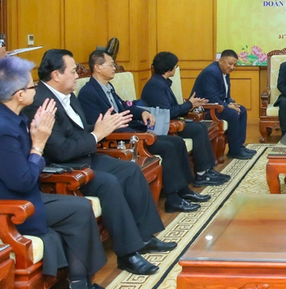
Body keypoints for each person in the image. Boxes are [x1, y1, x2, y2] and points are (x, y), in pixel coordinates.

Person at [0, 57, 121, 289]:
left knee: (81, 207)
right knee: (79, 211)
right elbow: (23, 179)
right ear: (20, 94)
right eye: (32, 85)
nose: (36, 89)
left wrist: (38, 141)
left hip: (18, 199)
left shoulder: (10, 117)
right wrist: (38, 144)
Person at [24, 49, 176, 276]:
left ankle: (145, 236)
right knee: (109, 182)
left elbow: (78, 131)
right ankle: (128, 254)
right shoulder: (40, 103)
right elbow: (60, 150)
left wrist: (103, 127)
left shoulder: (69, 95)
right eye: (74, 71)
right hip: (64, 168)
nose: (78, 75)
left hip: (84, 156)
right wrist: (97, 134)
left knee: (130, 170)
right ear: (56, 75)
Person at [78, 50, 214, 213]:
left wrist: (142, 112)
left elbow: (125, 107)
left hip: (132, 131)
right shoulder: (89, 93)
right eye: (111, 64)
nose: (114, 67)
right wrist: (136, 132)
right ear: (98, 67)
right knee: (168, 146)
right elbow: (99, 125)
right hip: (121, 138)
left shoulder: (107, 87)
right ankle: (173, 199)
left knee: (176, 142)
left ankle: (183, 191)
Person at [140, 51, 227, 186]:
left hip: (173, 120)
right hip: (165, 125)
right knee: (198, 129)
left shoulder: (162, 82)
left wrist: (191, 105)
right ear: (169, 68)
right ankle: (202, 174)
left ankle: (207, 169)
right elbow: (167, 112)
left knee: (201, 127)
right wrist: (189, 104)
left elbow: (172, 107)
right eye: (175, 66)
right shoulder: (155, 85)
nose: (176, 68)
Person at [191, 50, 256, 160]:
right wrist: (227, 106)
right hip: (204, 109)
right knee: (232, 114)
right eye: (230, 64)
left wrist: (231, 103)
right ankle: (234, 151)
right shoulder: (211, 72)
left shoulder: (224, 72)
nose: (232, 67)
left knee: (242, 110)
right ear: (220, 61)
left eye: (234, 65)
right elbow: (211, 97)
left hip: (218, 105)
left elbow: (226, 95)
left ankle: (239, 146)